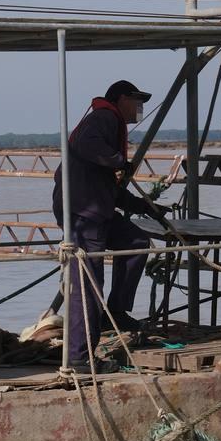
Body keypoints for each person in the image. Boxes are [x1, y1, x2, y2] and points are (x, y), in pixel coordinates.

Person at [52, 80, 156, 368]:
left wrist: (143, 206)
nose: (139, 109)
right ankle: (79, 359)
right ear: (121, 99)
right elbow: (89, 146)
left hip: (98, 210)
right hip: (83, 214)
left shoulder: (108, 121)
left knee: (135, 242)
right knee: (87, 283)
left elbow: (107, 185)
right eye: (135, 101)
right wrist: (119, 161)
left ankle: (117, 310)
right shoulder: (104, 117)